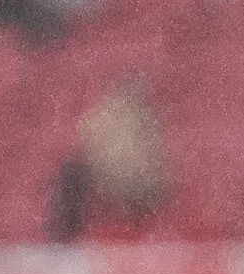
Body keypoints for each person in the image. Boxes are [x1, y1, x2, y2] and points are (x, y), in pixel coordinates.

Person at [47, 84, 178, 242]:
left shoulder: (183, 223)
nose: (121, 147)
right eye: (110, 137)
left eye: (132, 134)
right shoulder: (72, 227)